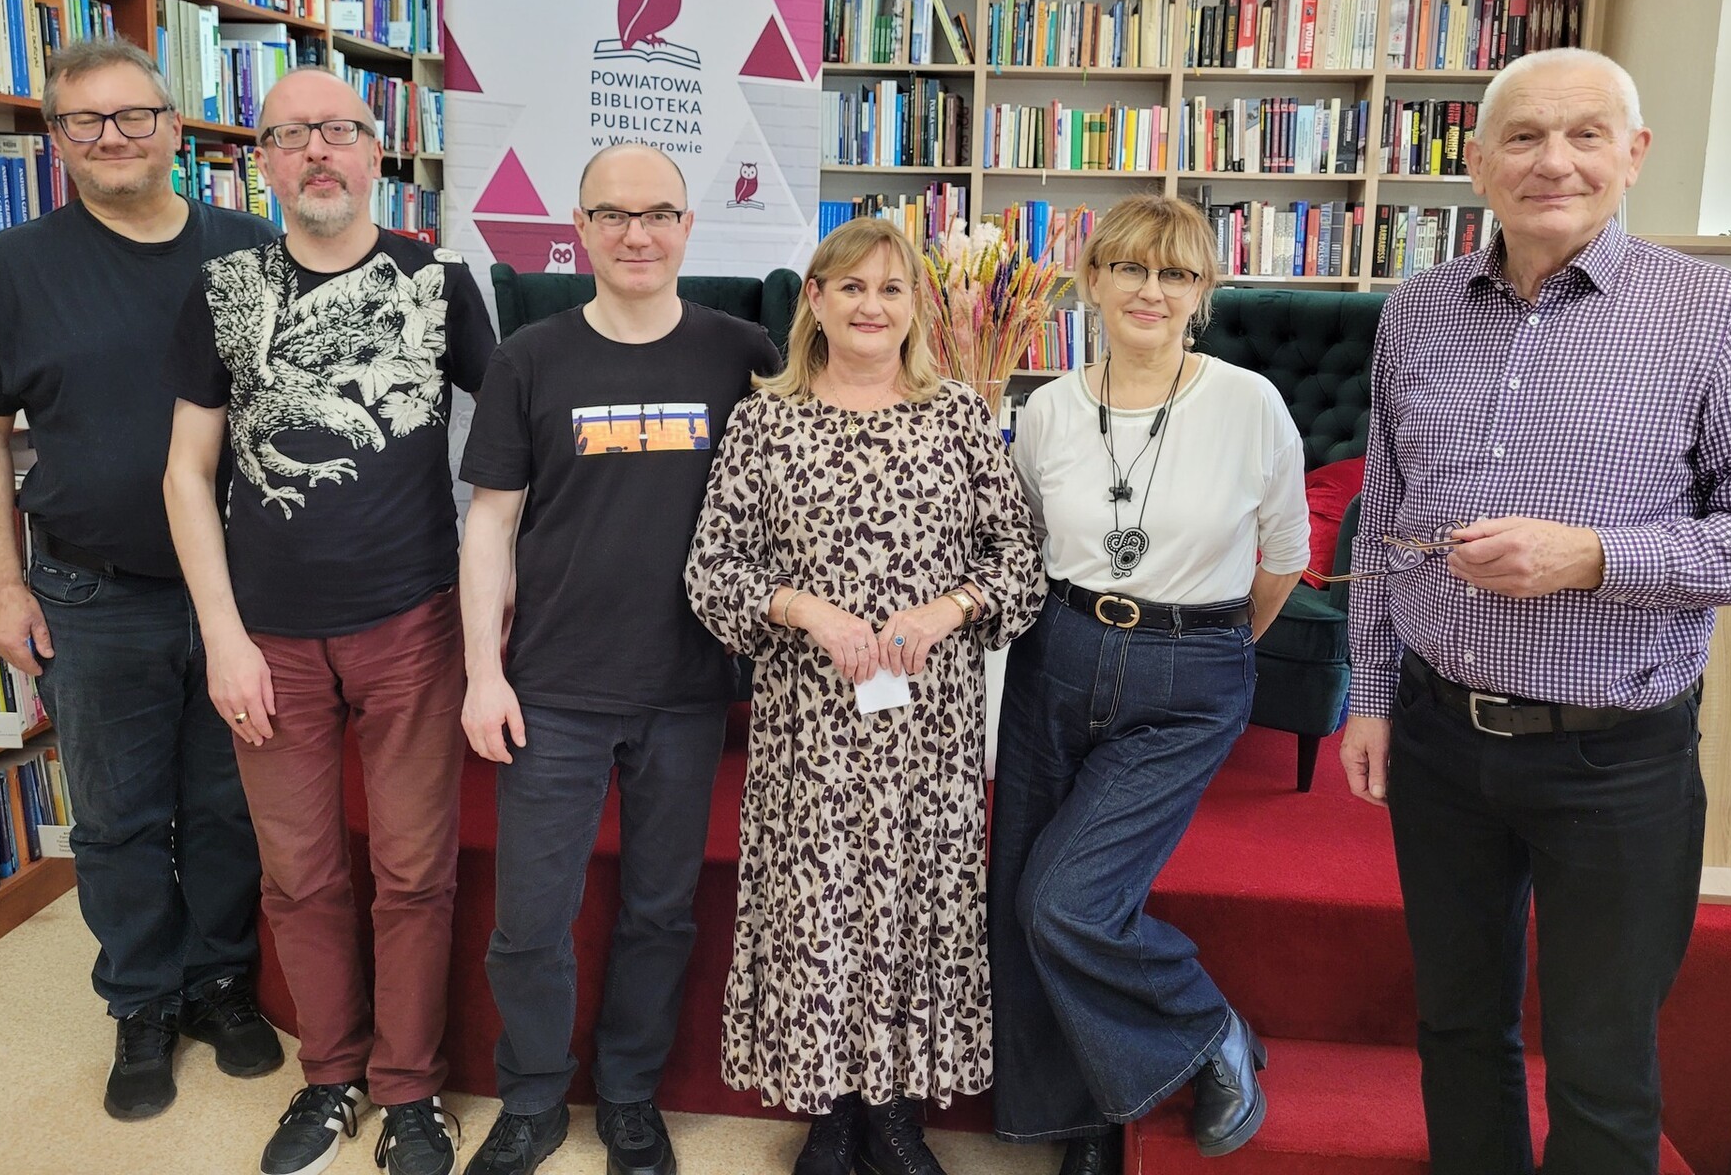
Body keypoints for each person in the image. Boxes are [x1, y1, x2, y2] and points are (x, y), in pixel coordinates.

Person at [1338, 48, 1731, 1175]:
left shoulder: (1716, 315)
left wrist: (1596, 558)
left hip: (1616, 757)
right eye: (1522, 136)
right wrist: (1372, 694)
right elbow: (1383, 518)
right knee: (1457, 1027)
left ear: (1633, 155)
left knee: (1604, 1065)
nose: (1553, 161)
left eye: (1585, 134)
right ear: (1476, 164)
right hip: (1440, 737)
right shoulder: (1416, 312)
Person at [0, 36, 281, 1120]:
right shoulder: (13, 266)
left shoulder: (252, 249)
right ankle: (142, 1001)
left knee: (229, 806)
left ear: (175, 128)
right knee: (118, 818)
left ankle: (219, 982)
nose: (112, 137)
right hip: (92, 592)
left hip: (244, 596)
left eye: (134, 116)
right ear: (57, 139)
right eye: (85, 120)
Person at [161, 67, 496, 1175]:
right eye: (292, 133)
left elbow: (510, 447)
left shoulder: (439, 282)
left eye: (340, 130)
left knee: (414, 874)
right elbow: (187, 472)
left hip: (411, 627)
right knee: (299, 875)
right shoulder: (224, 289)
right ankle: (330, 1077)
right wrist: (222, 637)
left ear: (374, 151)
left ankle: (409, 1092)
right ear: (261, 159)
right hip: (267, 641)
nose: (318, 150)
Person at [683, 218, 1045, 1175]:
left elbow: (1020, 561)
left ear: (915, 306)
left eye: (890, 289)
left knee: (913, 908)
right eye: (850, 287)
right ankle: (831, 1113)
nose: (871, 306)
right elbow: (713, 569)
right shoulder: (765, 421)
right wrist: (801, 608)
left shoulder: (959, 416)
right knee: (820, 911)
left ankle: (895, 1115)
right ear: (815, 299)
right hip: (808, 725)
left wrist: (949, 608)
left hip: (928, 726)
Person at [455, 143, 779, 1175]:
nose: (636, 235)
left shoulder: (747, 354)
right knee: (529, 922)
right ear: (580, 229)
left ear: (688, 226)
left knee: (659, 913)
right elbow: (489, 524)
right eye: (612, 215)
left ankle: (631, 1096)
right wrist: (482, 673)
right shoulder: (529, 358)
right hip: (552, 688)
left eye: (657, 215)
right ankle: (532, 1098)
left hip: (688, 690)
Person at [989, 194, 1310, 1172]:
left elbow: (1284, 558)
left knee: (1067, 902)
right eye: (1130, 267)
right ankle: (1083, 1124)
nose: (1150, 290)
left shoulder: (1248, 404)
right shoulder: (1049, 408)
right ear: (1093, 281)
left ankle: (1209, 1028)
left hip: (1188, 673)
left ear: (1202, 292)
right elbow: (1024, 544)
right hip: (1056, 654)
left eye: (1176, 274)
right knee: (1018, 898)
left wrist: (1202, 646)